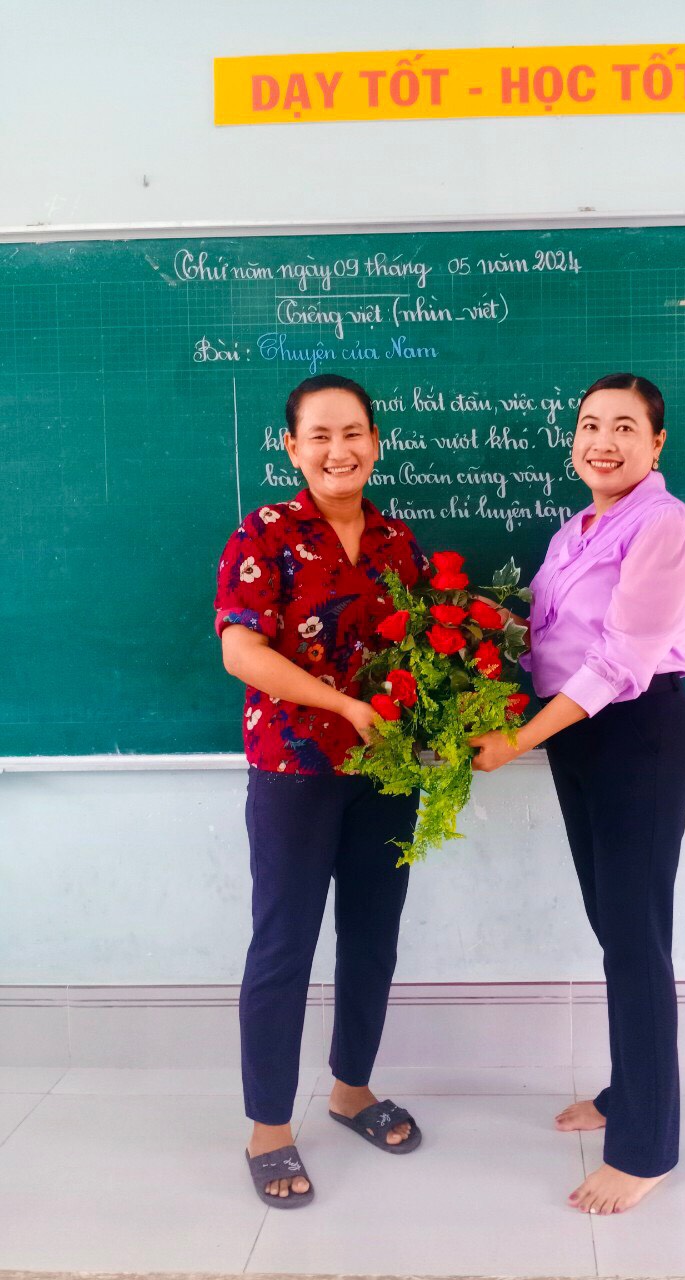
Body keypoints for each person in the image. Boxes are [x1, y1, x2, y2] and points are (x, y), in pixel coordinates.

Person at [470, 372, 685, 1216]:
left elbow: (617, 662)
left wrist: (518, 741)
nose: (602, 442)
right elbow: (549, 639)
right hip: (580, 737)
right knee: (617, 931)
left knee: (636, 940)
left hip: (636, 737)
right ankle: (626, 1093)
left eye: (623, 427)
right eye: (588, 425)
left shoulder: (668, 527)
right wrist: (465, 632)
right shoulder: (575, 529)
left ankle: (645, 1150)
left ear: (657, 442)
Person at [215, 374, 428, 1209]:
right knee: (284, 945)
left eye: (354, 434)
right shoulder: (264, 533)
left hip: (386, 772)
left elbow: (423, 655)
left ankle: (350, 1090)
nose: (339, 451)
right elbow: (241, 651)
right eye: (321, 436)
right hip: (293, 770)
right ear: (292, 447)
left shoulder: (400, 542)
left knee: (373, 936)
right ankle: (268, 1128)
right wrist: (342, 705)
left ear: (375, 441)